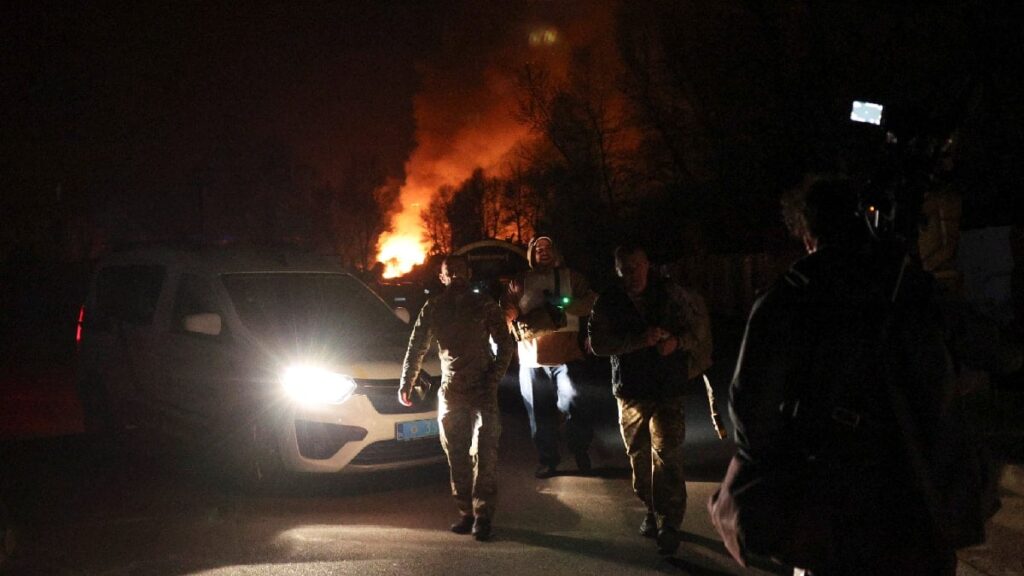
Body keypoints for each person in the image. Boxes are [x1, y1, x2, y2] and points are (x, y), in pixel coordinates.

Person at [727, 178, 967, 574]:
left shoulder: (790, 295)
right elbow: (980, 352)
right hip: (919, 491)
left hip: (837, 500)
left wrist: (759, 477)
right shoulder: (907, 282)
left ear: (807, 233)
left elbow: (752, 407)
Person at [588, 244, 711, 556]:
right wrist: (639, 341)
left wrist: (676, 342)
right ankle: (651, 509)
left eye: (637, 267)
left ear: (647, 265)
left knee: (668, 455)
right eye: (625, 270)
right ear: (617, 270)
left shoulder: (671, 294)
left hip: (668, 387)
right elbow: (598, 344)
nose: (632, 275)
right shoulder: (609, 300)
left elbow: (698, 330)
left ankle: (670, 524)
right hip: (631, 390)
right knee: (639, 458)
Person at [399, 254, 514, 541]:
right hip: (452, 390)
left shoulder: (484, 304)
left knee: (485, 453)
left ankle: (483, 515)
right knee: (456, 454)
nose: (456, 276)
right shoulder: (434, 307)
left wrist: (493, 378)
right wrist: (407, 382)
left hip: (482, 388)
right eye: (450, 272)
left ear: (469, 273)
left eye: (461, 271)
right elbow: (417, 345)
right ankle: (466, 512)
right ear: (442, 278)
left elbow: (505, 343)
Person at [500, 236, 598, 479]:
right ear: (531, 254)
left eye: (548, 248)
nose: (543, 252)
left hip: (568, 357)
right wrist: (506, 321)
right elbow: (507, 309)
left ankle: (580, 451)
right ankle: (548, 460)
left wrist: (566, 305)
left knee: (575, 405)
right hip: (531, 360)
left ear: (556, 251)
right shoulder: (520, 281)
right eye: (538, 249)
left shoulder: (571, 278)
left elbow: (591, 302)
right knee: (539, 413)